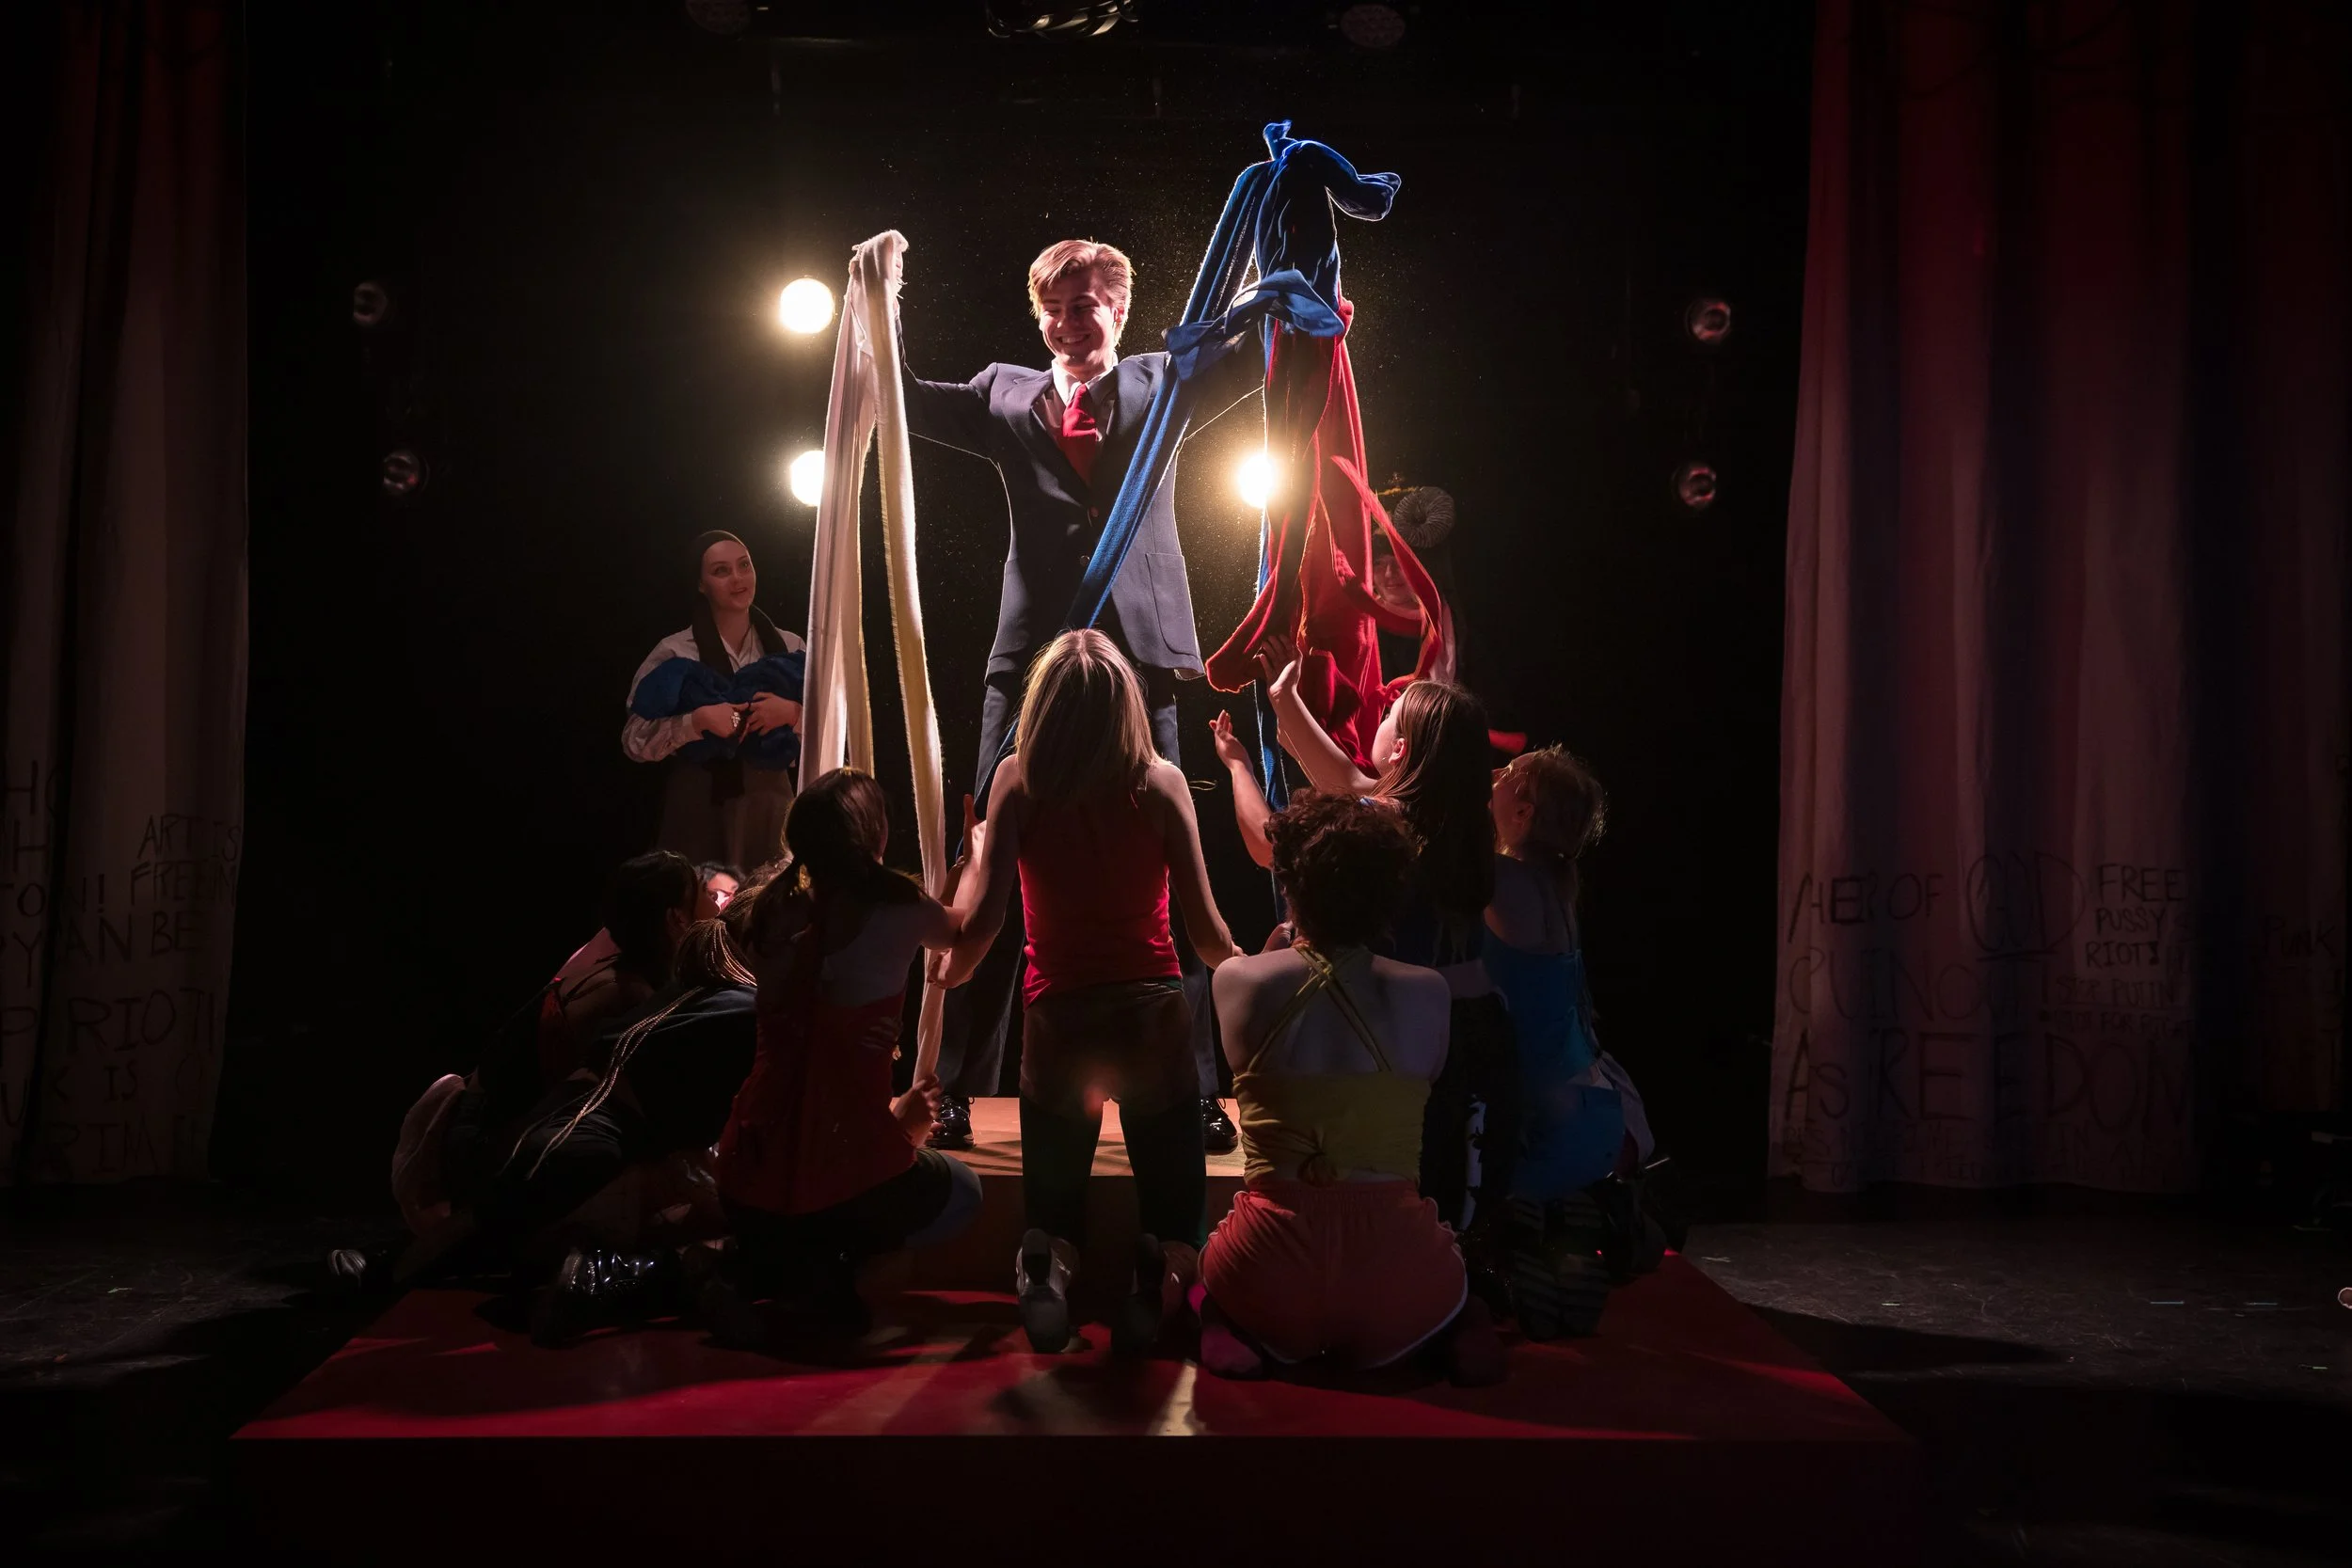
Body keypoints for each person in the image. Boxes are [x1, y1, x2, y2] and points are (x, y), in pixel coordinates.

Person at [902, 240, 1255, 1159]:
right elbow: (897, 401)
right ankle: (946, 1083)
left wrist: (1291, 279)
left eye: (1087, 303)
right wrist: (870, 313)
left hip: (1139, 655)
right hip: (1029, 661)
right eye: (1055, 308)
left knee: (1166, 859)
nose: (1070, 321)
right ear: (1039, 317)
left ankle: (1194, 1088)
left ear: (1119, 309)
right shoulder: (1002, 393)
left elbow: (1261, 353)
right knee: (984, 858)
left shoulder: (1166, 378)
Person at [936, 629, 1236, 1354]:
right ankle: (1164, 1273)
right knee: (1175, 1205)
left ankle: (1048, 1267)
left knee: (1054, 1198)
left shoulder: (1018, 781)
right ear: (1125, 705)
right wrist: (1262, 970)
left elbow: (985, 922)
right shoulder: (1160, 783)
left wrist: (952, 970)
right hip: (1151, 1018)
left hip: (1059, 1018)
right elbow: (1206, 935)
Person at [1198, 792, 1502, 1386]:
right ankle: (1460, 1326)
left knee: (1198, 1267)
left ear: (1290, 884)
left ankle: (1219, 1322)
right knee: (1455, 1277)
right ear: (1391, 892)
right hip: (1394, 1271)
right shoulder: (1428, 991)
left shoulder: (1237, 981)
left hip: (1271, 1270)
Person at [1245, 651, 1519, 1256]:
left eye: (1391, 713)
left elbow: (1290, 827)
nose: (1381, 713)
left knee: (1395, 1183)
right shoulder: (1465, 826)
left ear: (1400, 750)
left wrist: (1240, 766)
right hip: (1477, 1032)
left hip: (1401, 1034)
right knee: (1451, 1190)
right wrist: (1286, 702)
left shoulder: (1376, 821)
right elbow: (1348, 780)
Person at [697, 768, 982, 1345]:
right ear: (874, 834)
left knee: (801, 1207)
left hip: (750, 1163)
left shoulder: (767, 909)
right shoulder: (897, 909)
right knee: (962, 1192)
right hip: (837, 1171)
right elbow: (961, 927)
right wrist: (978, 860)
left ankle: (771, 1272)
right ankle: (834, 1272)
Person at [1483, 746, 1626, 1338]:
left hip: (1546, 1122)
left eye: (1508, 774)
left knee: (1480, 1218)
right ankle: (1565, 1228)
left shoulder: (1502, 879)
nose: (1493, 774)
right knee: (1527, 1210)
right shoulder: (1555, 884)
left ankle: (1521, 1250)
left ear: (1524, 811)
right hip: (1591, 1110)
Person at [623, 531, 805, 871]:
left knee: (772, 898)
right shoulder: (675, 651)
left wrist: (793, 714)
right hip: (699, 803)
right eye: (721, 571)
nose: (737, 578)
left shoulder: (790, 646)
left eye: (744, 565)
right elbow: (634, 740)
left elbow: (833, 732)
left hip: (771, 804)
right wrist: (697, 722)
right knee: (701, 898)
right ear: (701, 584)